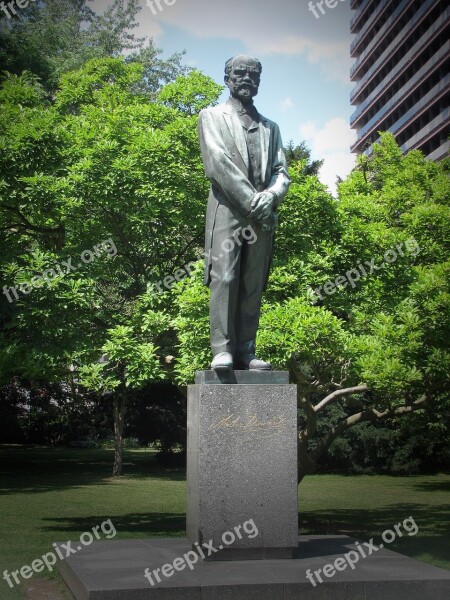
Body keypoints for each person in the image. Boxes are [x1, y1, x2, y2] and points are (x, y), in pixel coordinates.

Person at [198, 55, 290, 371]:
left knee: (253, 282)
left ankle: (246, 350)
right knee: (225, 276)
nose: (247, 78)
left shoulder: (270, 128)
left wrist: (273, 195)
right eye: (240, 73)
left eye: (253, 74)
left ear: (259, 81)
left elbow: (281, 172)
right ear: (227, 78)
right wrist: (254, 201)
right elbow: (217, 163)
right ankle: (222, 349)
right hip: (228, 211)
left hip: (262, 216)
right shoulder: (211, 116)